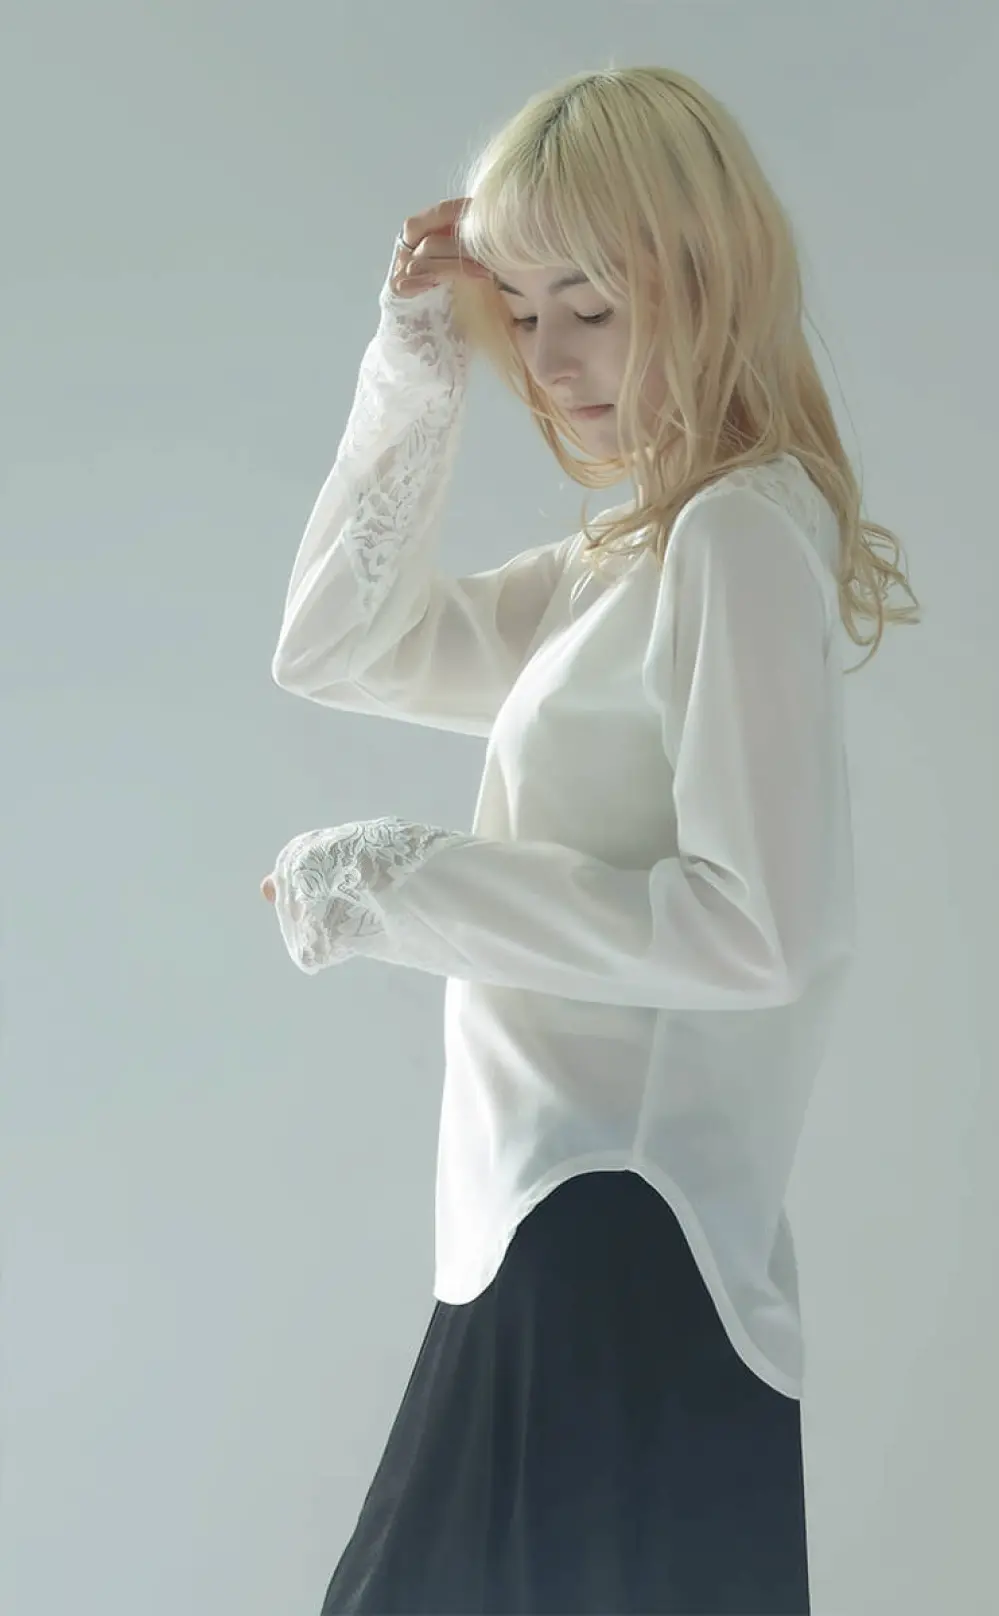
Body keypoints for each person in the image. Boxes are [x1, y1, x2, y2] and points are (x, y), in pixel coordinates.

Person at [264, 63, 920, 1616]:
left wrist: (400, 882)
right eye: (520, 310)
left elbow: (760, 929)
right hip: (548, 1229)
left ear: (704, 280)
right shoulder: (629, 554)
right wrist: (416, 365)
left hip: (617, 1236)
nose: (550, 361)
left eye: (593, 307)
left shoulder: (733, 537)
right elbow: (341, 645)